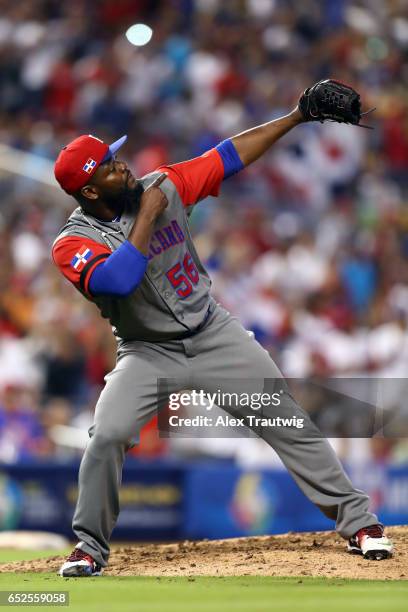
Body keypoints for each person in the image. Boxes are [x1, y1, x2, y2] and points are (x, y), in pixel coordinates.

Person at [52, 86, 393, 577]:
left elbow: (228, 155)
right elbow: (119, 280)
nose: (121, 166)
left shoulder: (163, 184)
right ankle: (89, 548)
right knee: (107, 434)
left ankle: (361, 524)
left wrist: (296, 116)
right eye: (108, 167)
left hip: (213, 333)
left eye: (115, 157)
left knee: (286, 421)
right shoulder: (73, 243)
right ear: (88, 191)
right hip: (148, 352)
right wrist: (147, 215)